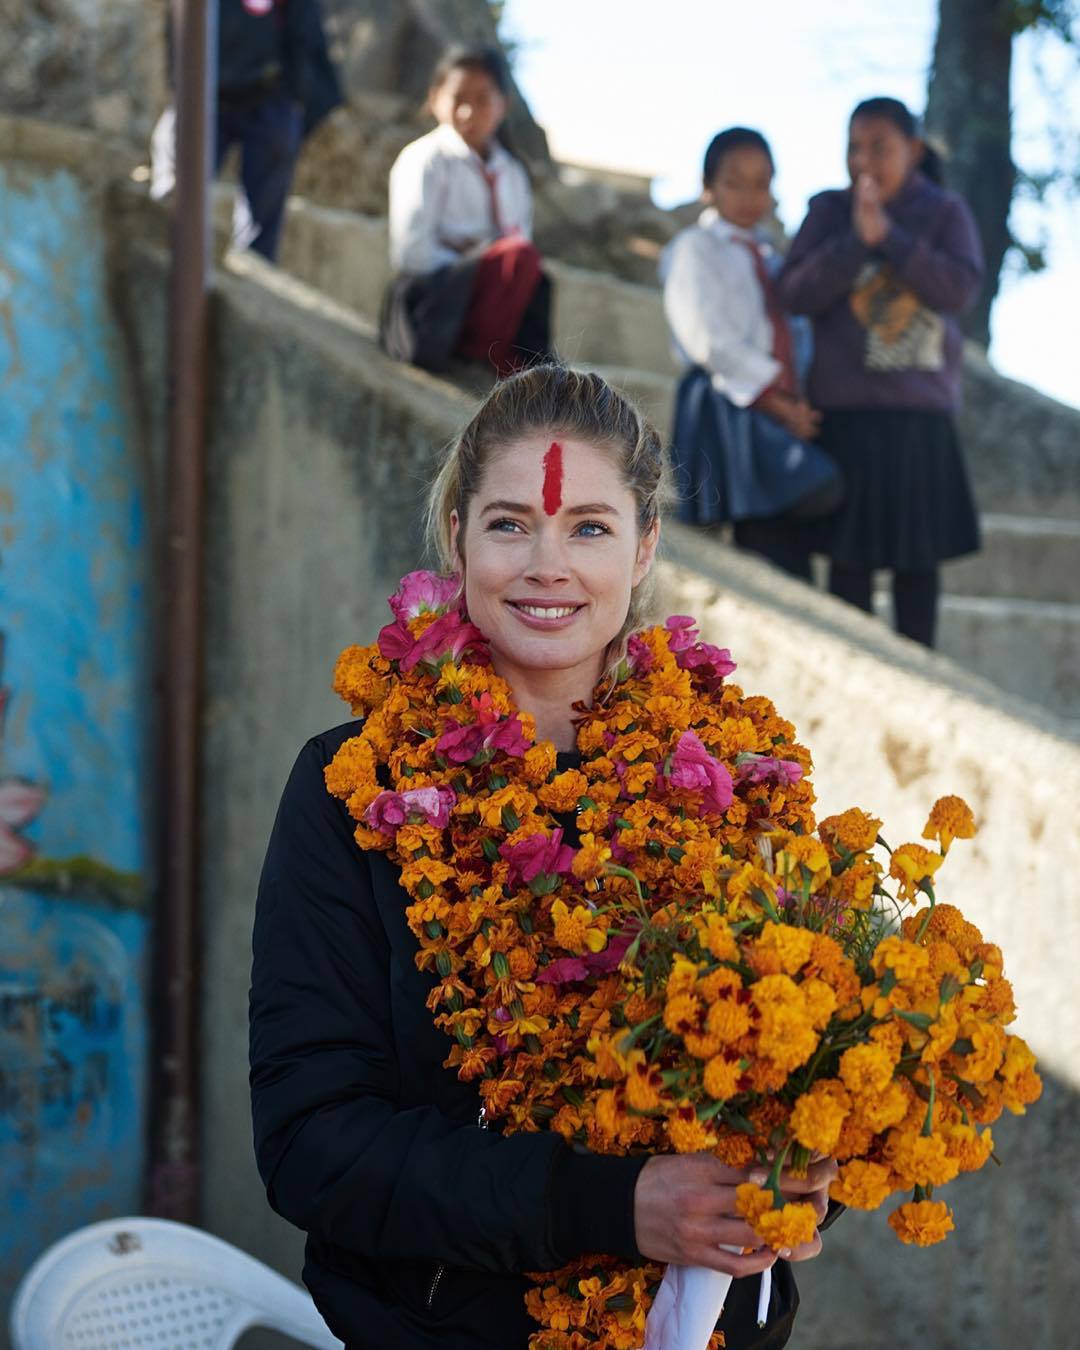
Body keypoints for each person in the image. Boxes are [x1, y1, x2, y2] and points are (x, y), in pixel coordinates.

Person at [249, 366, 837, 1349]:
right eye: (512, 523)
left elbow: (808, 1060)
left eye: (590, 528)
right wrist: (612, 1205)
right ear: (458, 537)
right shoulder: (354, 787)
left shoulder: (735, 781)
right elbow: (312, 1144)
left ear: (645, 546)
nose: (547, 565)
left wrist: (806, 1178)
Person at [778, 97, 983, 646]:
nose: (864, 161)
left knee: (919, 565)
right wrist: (855, 242)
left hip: (920, 419)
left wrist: (890, 238)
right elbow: (795, 293)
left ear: (913, 151)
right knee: (851, 563)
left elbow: (958, 288)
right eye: (854, 147)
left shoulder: (943, 213)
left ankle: (922, 676)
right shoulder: (827, 211)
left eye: (880, 147)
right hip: (848, 415)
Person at [660, 127, 842, 581]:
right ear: (708, 187)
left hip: (774, 400)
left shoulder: (771, 256)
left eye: (761, 183)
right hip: (727, 399)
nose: (748, 196)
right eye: (734, 182)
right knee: (773, 509)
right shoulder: (693, 250)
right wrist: (775, 402)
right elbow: (708, 340)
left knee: (784, 519)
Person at [380, 46, 553, 380]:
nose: (468, 112)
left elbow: (518, 252)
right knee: (515, 257)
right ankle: (476, 352)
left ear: (504, 105)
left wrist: (485, 255)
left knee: (529, 270)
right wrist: (475, 259)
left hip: (493, 293)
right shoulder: (425, 159)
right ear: (434, 99)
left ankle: (505, 357)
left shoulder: (513, 173)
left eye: (482, 100)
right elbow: (411, 253)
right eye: (458, 98)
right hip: (434, 300)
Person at [150, 0, 342, 262]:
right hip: (204, 96)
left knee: (258, 228)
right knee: (174, 196)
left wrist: (295, 103)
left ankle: (250, 276)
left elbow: (306, 36)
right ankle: (167, 259)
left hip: (268, 99)